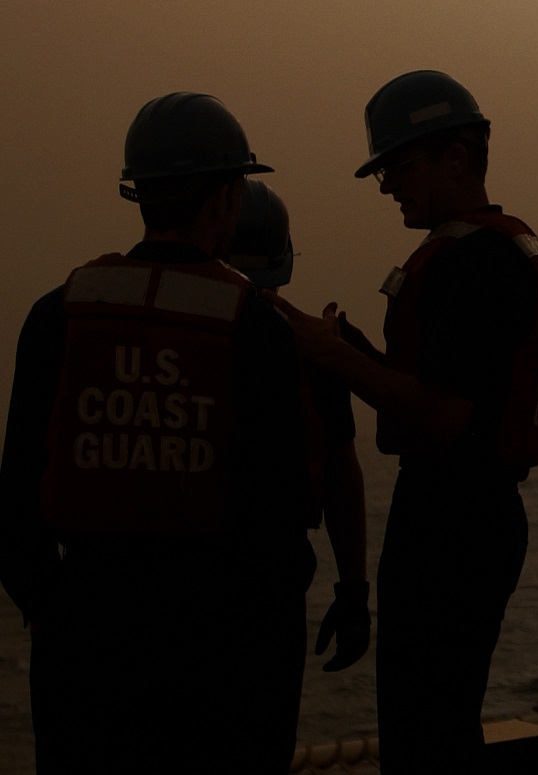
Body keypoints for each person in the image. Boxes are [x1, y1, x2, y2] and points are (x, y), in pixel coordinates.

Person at [0, 93, 314, 774]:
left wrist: (61, 614)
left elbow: (15, 508)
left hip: (84, 640)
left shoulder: (58, 313)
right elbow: (280, 524)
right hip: (218, 642)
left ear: (137, 193)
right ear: (228, 198)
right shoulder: (256, 328)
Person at [272, 70, 538, 774]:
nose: (386, 185)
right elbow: (439, 388)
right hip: (471, 515)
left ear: (455, 157)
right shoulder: (491, 253)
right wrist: (352, 350)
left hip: (453, 523)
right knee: (434, 721)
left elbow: (443, 415)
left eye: (399, 166)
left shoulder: (474, 264)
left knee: (425, 734)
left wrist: (332, 359)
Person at [227, 178, 370, 672]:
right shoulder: (310, 348)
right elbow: (341, 480)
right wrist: (353, 592)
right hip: (270, 589)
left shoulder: (158, 333)